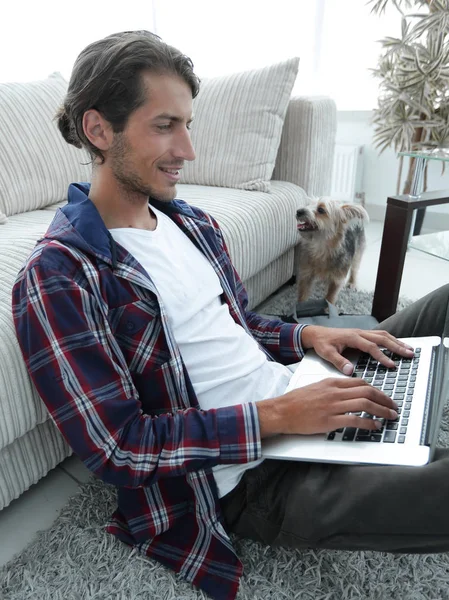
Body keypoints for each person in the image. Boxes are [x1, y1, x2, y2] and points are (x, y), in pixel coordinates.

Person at [11, 30, 449, 600]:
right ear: (99, 130)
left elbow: (236, 326)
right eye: (165, 125)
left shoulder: (189, 222)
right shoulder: (59, 277)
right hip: (247, 478)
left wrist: (310, 334)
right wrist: (278, 416)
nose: (188, 149)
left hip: (298, 391)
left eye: (187, 124)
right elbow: (119, 446)